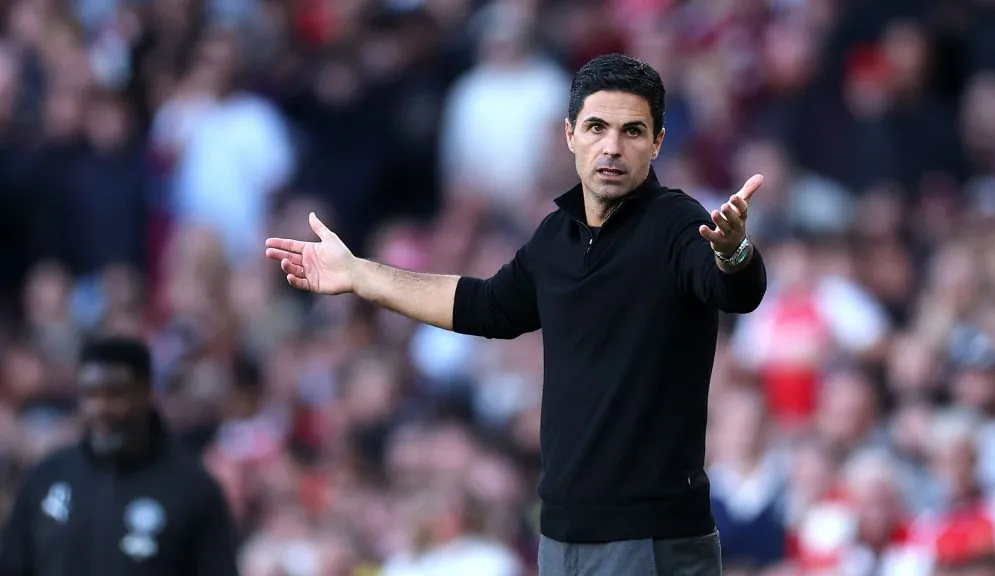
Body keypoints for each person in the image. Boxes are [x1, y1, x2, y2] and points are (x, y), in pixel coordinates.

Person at [266, 53, 768, 575]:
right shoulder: (557, 236)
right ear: (571, 134)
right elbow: (484, 306)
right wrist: (360, 275)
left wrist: (732, 251)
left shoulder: (677, 223)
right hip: (562, 533)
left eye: (632, 131)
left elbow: (736, 290)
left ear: (657, 141)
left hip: (651, 536)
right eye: (597, 127)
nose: (612, 147)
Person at [0, 336, 240, 576]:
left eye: (115, 393)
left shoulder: (193, 489)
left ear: (146, 393)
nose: (101, 408)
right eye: (90, 393)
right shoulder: (45, 478)